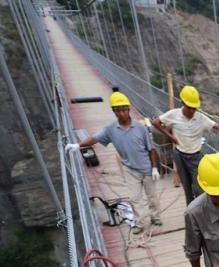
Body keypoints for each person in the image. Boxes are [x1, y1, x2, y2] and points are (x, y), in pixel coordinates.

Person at [66, 89, 162, 234]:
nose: (121, 113)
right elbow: (95, 138)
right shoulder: (111, 129)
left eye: (124, 109)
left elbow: (151, 149)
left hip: (147, 168)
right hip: (131, 169)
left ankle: (155, 217)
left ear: (128, 109)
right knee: (135, 198)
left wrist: (154, 168)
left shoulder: (140, 128)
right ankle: (139, 223)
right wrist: (78, 145)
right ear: (114, 111)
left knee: (152, 197)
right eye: (117, 110)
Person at [152, 85, 219, 206]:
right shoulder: (174, 115)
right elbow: (156, 122)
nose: (192, 111)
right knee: (186, 186)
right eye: (189, 107)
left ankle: (201, 210)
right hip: (179, 155)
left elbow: (218, 127)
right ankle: (190, 209)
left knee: (199, 187)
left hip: (195, 157)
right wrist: (170, 136)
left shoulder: (201, 118)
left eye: (194, 108)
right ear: (183, 103)